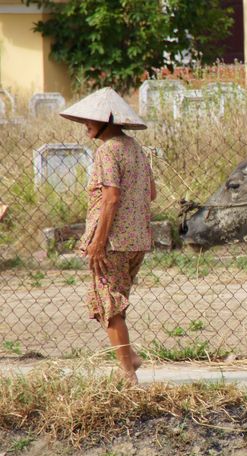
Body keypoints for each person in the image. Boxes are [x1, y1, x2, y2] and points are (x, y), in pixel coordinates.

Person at [59, 87, 155, 384]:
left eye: (90, 119)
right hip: (137, 241)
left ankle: (127, 372)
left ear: (109, 120)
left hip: (112, 243)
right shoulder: (135, 148)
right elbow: (151, 192)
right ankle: (130, 356)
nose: (85, 125)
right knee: (115, 301)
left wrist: (98, 242)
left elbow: (111, 197)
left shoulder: (107, 151)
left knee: (110, 306)